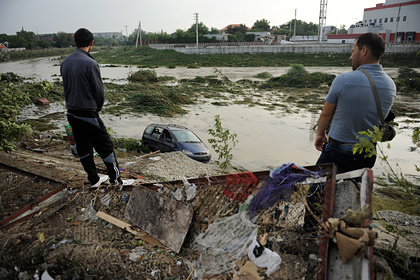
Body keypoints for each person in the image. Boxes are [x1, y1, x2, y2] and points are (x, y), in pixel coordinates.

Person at [303, 32, 397, 233]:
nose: (350, 56)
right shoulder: (391, 85)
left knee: (317, 192)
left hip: (337, 151)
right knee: (354, 197)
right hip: (367, 153)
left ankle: (309, 232)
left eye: (353, 50)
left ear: (363, 51)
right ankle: (346, 234)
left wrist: (320, 135)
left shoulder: (344, 80)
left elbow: (326, 113)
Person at [61, 28, 128, 188]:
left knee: (83, 147)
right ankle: (116, 181)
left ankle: (94, 179)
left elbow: (66, 88)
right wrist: (95, 110)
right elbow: (99, 93)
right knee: (106, 147)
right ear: (92, 43)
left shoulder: (66, 62)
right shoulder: (91, 63)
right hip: (88, 113)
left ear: (75, 42)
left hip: (71, 113)